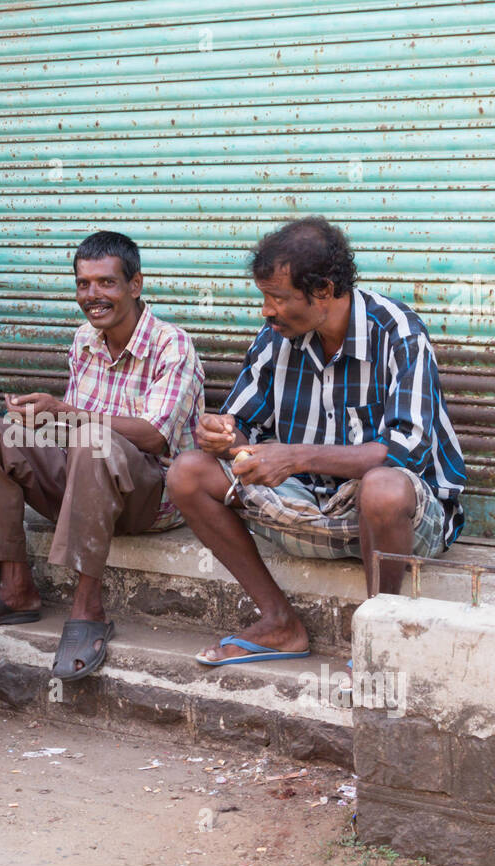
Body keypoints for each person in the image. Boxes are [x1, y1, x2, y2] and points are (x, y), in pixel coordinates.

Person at [166, 216, 467, 666]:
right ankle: (278, 622)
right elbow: (242, 424)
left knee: (383, 486)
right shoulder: (275, 338)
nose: (266, 310)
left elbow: (407, 450)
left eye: (278, 298)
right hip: (305, 509)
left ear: (324, 290)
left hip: (392, 523)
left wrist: (296, 456)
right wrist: (225, 436)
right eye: (265, 297)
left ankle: (375, 644)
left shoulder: (399, 333)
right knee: (188, 471)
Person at [0, 231, 205, 681]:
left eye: (106, 283)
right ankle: (15, 588)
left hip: (150, 500)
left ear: (135, 284)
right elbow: (70, 429)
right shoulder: (84, 340)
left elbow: (151, 436)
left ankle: (87, 605)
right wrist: (38, 421)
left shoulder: (172, 345)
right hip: (85, 483)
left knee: (93, 439)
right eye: (83, 284)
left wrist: (68, 414)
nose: (93, 296)